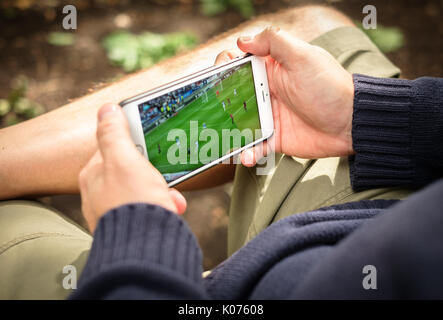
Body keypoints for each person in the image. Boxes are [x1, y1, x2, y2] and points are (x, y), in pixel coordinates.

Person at [0, 5, 435, 299]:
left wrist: (137, 242)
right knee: (318, 28)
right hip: (384, 217)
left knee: (10, 221)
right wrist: (369, 115)